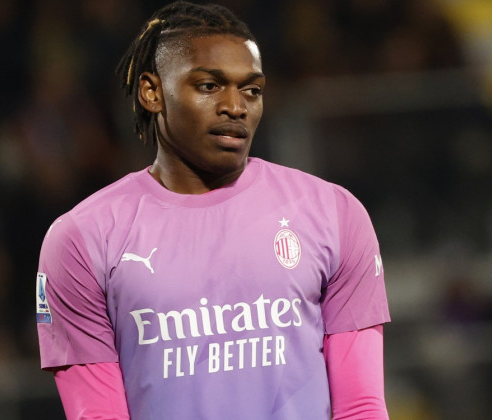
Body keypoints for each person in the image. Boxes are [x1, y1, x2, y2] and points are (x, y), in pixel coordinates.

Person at [35, 2, 391, 419]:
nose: (235, 106)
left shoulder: (334, 214)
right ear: (152, 92)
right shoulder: (82, 239)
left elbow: (362, 407)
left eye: (251, 90)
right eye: (209, 86)